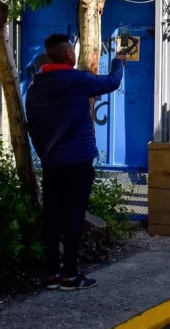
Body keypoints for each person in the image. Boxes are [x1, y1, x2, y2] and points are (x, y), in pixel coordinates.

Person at [25, 34, 126, 291]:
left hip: (51, 162)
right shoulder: (77, 80)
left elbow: (33, 126)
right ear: (68, 55)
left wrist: (45, 152)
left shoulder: (36, 87)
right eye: (71, 51)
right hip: (78, 161)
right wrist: (119, 61)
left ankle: (52, 274)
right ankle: (70, 275)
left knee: (52, 216)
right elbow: (112, 82)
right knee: (73, 216)